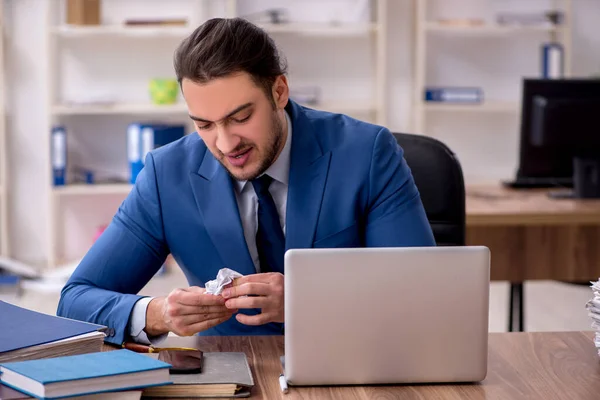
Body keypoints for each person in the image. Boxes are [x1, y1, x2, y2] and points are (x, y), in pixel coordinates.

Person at [57, 17, 436, 346]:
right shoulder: (165, 174)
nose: (225, 144)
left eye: (240, 117)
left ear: (279, 91)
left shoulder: (366, 152)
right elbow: (74, 300)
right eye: (204, 124)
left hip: (356, 364)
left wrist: (310, 299)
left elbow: (420, 292)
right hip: (230, 375)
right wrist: (157, 313)